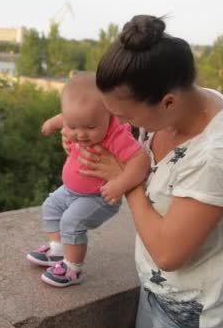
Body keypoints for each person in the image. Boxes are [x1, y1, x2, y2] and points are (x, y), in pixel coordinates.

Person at [76, 15, 223, 328]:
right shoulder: (187, 102)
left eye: (125, 116)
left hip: (197, 318)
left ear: (168, 102)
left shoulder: (217, 154)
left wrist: (127, 182)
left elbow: (167, 253)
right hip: (157, 294)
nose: (121, 125)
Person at [26, 73, 150, 287]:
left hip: (98, 196)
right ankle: (57, 251)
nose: (81, 134)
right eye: (74, 127)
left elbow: (141, 160)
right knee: (51, 207)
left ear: (109, 115)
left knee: (71, 222)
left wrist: (120, 184)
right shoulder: (75, 120)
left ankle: (73, 269)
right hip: (70, 191)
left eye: (90, 127)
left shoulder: (116, 135)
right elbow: (63, 119)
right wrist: (51, 124)